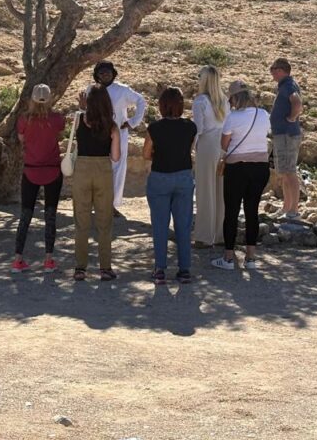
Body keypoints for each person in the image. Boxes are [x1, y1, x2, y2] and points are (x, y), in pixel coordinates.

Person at [211, 83, 271, 271]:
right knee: (252, 211)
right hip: (260, 167)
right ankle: (251, 257)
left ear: (235, 98)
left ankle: (229, 257)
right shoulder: (263, 114)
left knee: (232, 211)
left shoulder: (232, 117)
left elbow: (224, 144)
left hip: (237, 168)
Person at [143, 86, 197, 284]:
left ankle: (160, 269)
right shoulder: (190, 127)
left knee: (160, 224)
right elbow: (188, 149)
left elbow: (146, 154)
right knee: (183, 224)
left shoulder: (155, 128)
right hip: (183, 176)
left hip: (160, 177)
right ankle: (184, 269)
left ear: (162, 106)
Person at [12, 84, 66, 273]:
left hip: (31, 170)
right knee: (50, 215)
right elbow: (59, 135)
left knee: (25, 215)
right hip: (52, 170)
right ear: (50, 98)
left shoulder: (24, 120)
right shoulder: (57, 119)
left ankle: (18, 258)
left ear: (32, 99)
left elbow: (21, 139)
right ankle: (49, 259)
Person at [71, 84, 121, 281]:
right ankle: (105, 267)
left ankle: (80, 268)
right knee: (104, 221)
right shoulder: (112, 126)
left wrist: (83, 108)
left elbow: (77, 135)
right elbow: (116, 157)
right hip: (103, 170)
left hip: (82, 170)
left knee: (81, 221)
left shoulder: (79, 120)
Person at [92, 61, 145, 212]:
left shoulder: (122, 90)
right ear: (97, 75)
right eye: (101, 72)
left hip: (119, 134)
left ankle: (112, 204)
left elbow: (141, 101)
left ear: (113, 73)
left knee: (118, 168)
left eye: (108, 71)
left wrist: (132, 122)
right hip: (97, 135)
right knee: (100, 168)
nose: (105, 74)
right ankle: (98, 203)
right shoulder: (93, 90)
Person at [191, 66, 229, 248]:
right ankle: (221, 234)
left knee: (205, 190)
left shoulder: (200, 101)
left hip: (207, 144)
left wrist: (191, 147)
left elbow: (197, 129)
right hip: (223, 144)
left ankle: (204, 236)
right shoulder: (224, 100)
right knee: (221, 191)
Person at [269, 57, 304, 222]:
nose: (271, 72)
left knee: (290, 172)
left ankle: (294, 210)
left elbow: (297, 103)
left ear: (281, 70)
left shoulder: (288, 85)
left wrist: (291, 118)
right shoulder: (284, 86)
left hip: (287, 135)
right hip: (281, 134)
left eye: (273, 69)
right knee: (283, 172)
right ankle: (286, 207)